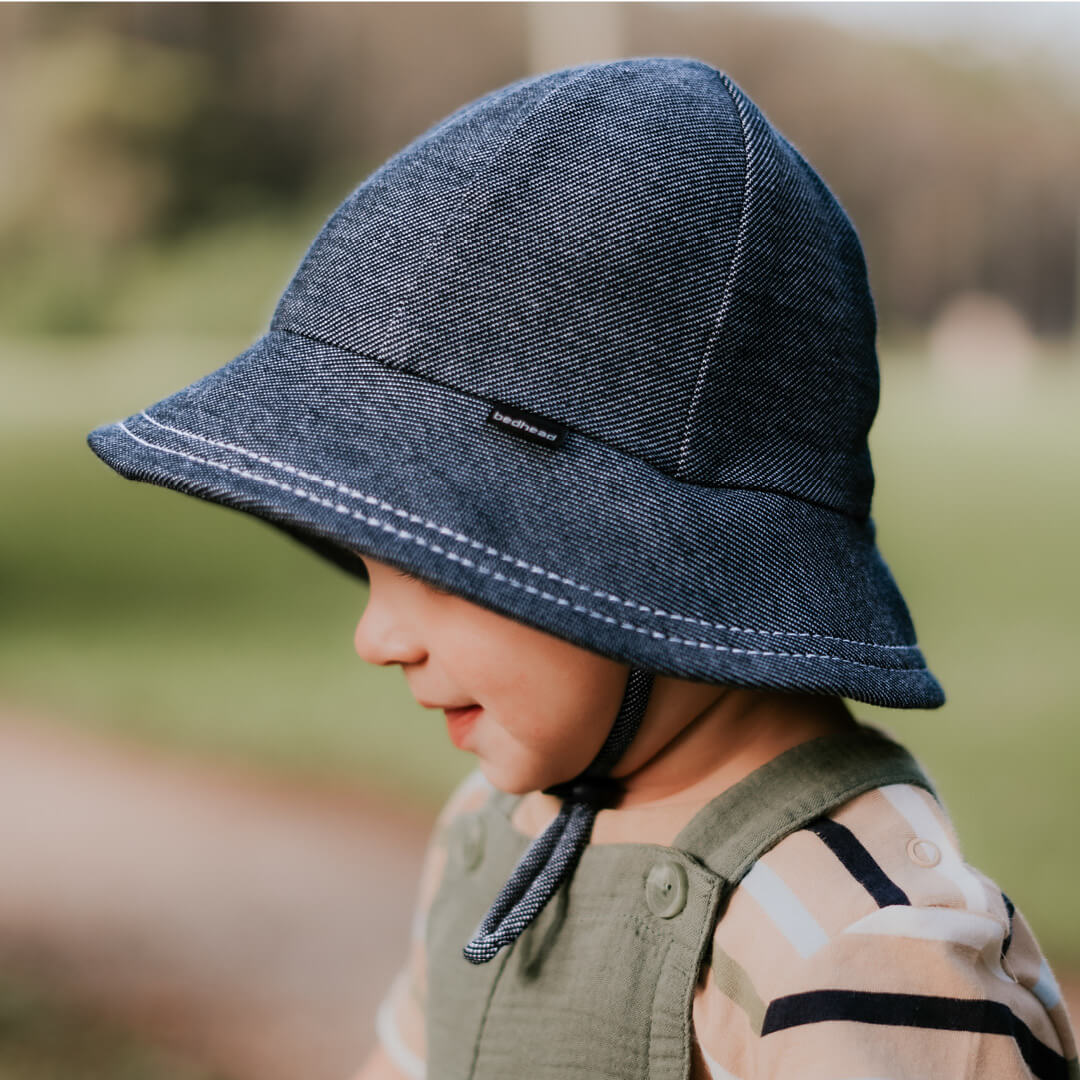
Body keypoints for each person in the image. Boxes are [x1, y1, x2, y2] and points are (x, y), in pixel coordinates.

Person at [85, 56, 1076, 1079]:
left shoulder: (861, 946)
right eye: (367, 557)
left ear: (652, 562)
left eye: (441, 557)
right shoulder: (493, 827)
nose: (374, 637)